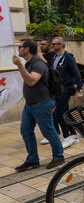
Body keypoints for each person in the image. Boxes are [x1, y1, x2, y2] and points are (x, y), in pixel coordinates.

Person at [12, 40, 65, 172]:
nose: (19, 49)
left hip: (42, 103)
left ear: (27, 49)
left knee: (48, 131)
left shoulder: (38, 64)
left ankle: (59, 156)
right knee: (25, 130)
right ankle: (32, 160)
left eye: (21, 47)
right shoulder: (30, 62)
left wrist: (19, 65)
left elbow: (31, 81)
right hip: (30, 104)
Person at [42, 37, 83, 149]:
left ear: (61, 45)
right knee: (65, 111)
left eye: (54, 44)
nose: (52, 45)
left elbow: (76, 73)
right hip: (57, 89)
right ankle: (73, 134)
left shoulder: (68, 57)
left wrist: (79, 89)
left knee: (58, 113)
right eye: (52, 43)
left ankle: (67, 136)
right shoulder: (54, 56)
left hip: (66, 88)